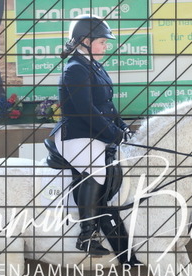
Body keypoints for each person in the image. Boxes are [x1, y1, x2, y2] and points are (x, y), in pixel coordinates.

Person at [50, 14, 132, 256]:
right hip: (76, 135)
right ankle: (87, 235)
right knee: (97, 169)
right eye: (102, 42)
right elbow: (86, 110)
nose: (106, 47)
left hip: (93, 133)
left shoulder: (94, 66)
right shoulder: (75, 69)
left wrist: (123, 127)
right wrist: (113, 133)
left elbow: (106, 105)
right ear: (85, 41)